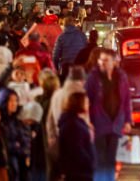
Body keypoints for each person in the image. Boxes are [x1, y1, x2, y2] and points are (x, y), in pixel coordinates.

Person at [85, 49, 132, 181]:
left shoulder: (121, 77)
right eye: (101, 60)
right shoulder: (93, 77)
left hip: (116, 123)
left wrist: (128, 120)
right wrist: (88, 120)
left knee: (111, 159)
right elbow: (86, 100)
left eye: (106, 60)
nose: (102, 63)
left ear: (113, 62)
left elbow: (126, 100)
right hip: (98, 124)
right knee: (100, 159)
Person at [47, 66, 87, 178]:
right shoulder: (80, 95)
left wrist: (52, 137)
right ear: (81, 80)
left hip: (59, 139)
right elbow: (85, 118)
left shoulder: (57, 94)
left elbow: (50, 119)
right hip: (77, 140)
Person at [58, 92, 96, 181]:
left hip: (79, 170)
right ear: (78, 103)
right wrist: (89, 162)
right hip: (79, 171)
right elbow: (77, 149)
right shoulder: (73, 124)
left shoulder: (75, 121)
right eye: (86, 102)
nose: (88, 105)